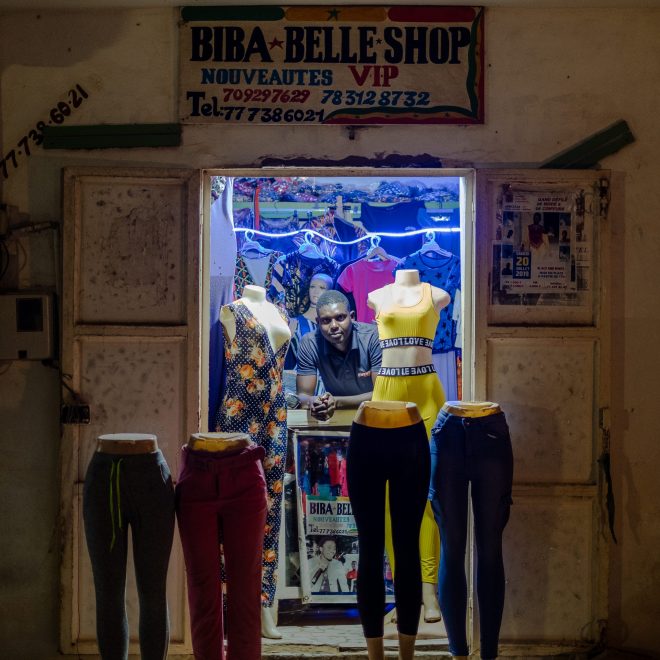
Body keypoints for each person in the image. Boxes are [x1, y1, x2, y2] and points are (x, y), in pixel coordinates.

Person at [214, 284, 292, 640]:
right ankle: (230, 606)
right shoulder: (231, 312)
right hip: (239, 414)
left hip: (275, 415)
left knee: (270, 511)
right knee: (231, 512)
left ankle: (263, 606)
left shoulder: (279, 312)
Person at [296, 289, 382, 420]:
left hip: (373, 414)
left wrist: (336, 402)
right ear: (318, 322)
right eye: (326, 320)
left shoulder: (373, 337)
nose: (334, 326)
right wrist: (313, 401)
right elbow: (303, 395)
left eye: (340, 318)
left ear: (352, 317)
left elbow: (382, 395)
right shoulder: (309, 343)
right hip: (335, 417)